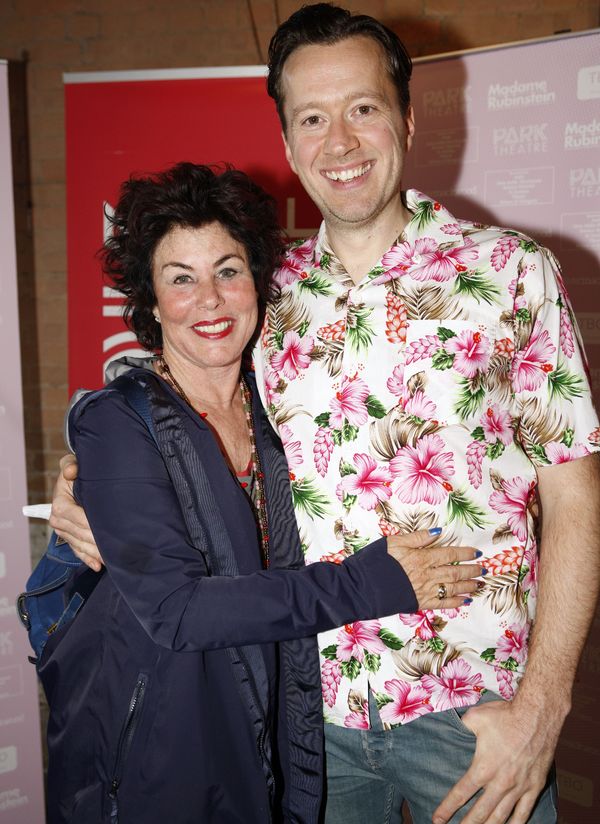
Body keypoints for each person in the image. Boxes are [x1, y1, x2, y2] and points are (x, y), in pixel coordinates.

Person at [50, 4, 600, 823]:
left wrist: (544, 709)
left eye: (363, 109)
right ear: (287, 141)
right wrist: (81, 489)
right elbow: (172, 415)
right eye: (313, 117)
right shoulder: (261, 293)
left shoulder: (512, 276)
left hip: (476, 715)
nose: (338, 142)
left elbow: (576, 496)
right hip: (302, 718)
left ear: (407, 118)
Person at [43, 161, 484, 824]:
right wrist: (372, 583)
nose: (210, 300)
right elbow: (176, 610)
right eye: (180, 279)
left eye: (227, 270)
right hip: (161, 752)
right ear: (150, 299)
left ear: (256, 279)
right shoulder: (116, 424)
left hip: (274, 731)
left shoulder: (282, 411)